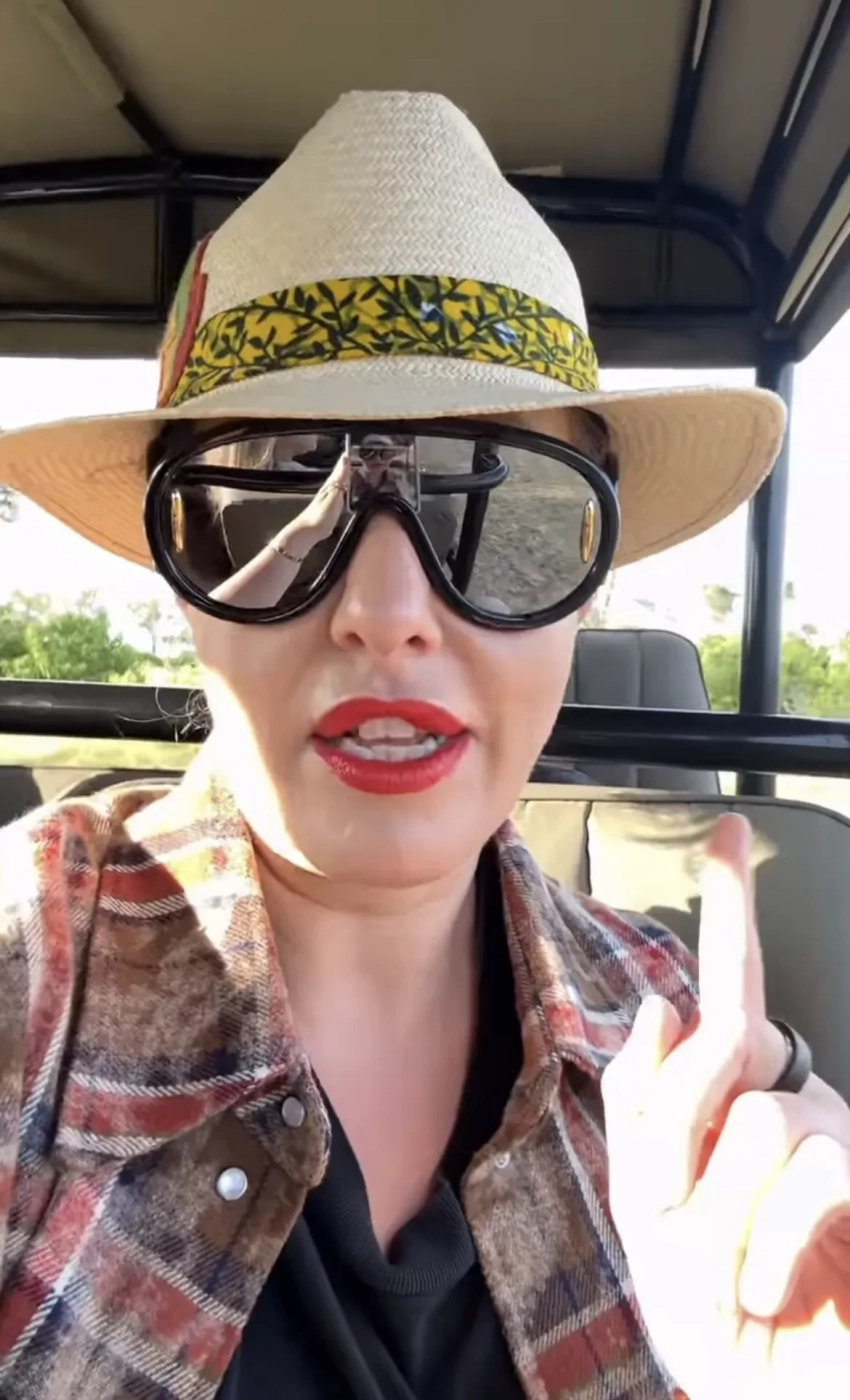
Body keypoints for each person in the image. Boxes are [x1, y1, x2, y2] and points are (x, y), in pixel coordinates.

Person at [0, 90, 846, 1400]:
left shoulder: (689, 1060)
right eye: (273, 498)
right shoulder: (24, 990)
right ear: (182, 579)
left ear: (586, 588)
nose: (386, 614)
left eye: (501, 516)